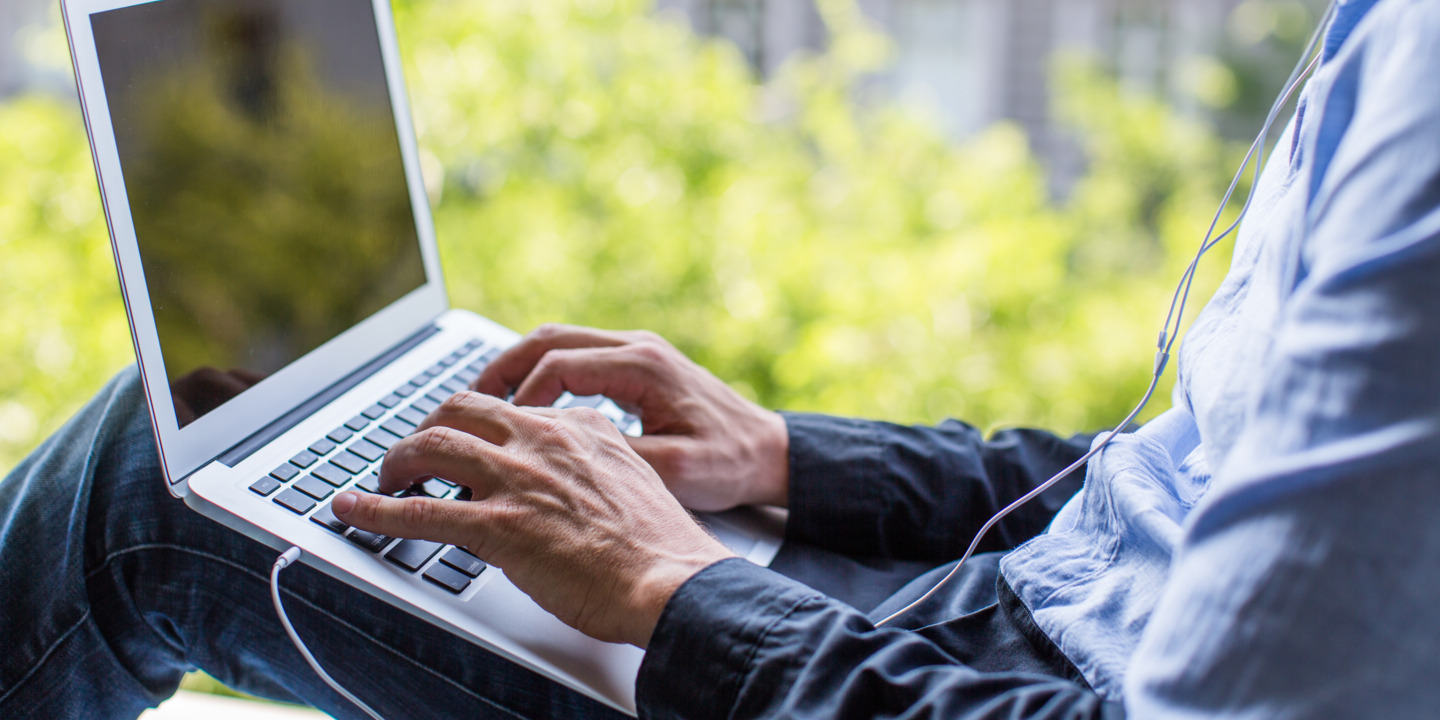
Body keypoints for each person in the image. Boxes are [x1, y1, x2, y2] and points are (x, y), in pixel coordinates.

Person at [4, 0, 1440, 716]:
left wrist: (673, 593)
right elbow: (1199, 478)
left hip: (990, 674)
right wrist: (789, 459)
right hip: (1016, 614)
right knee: (331, 437)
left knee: (154, 481)